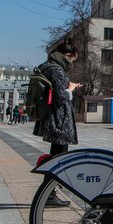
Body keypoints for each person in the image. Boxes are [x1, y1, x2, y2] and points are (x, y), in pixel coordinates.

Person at [32, 37, 81, 207]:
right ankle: (49, 194)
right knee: (58, 158)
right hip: (59, 121)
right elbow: (60, 98)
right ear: (67, 55)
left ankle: (49, 192)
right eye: (73, 59)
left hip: (50, 118)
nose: (72, 63)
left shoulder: (46, 67)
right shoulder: (57, 70)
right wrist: (71, 89)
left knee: (56, 156)